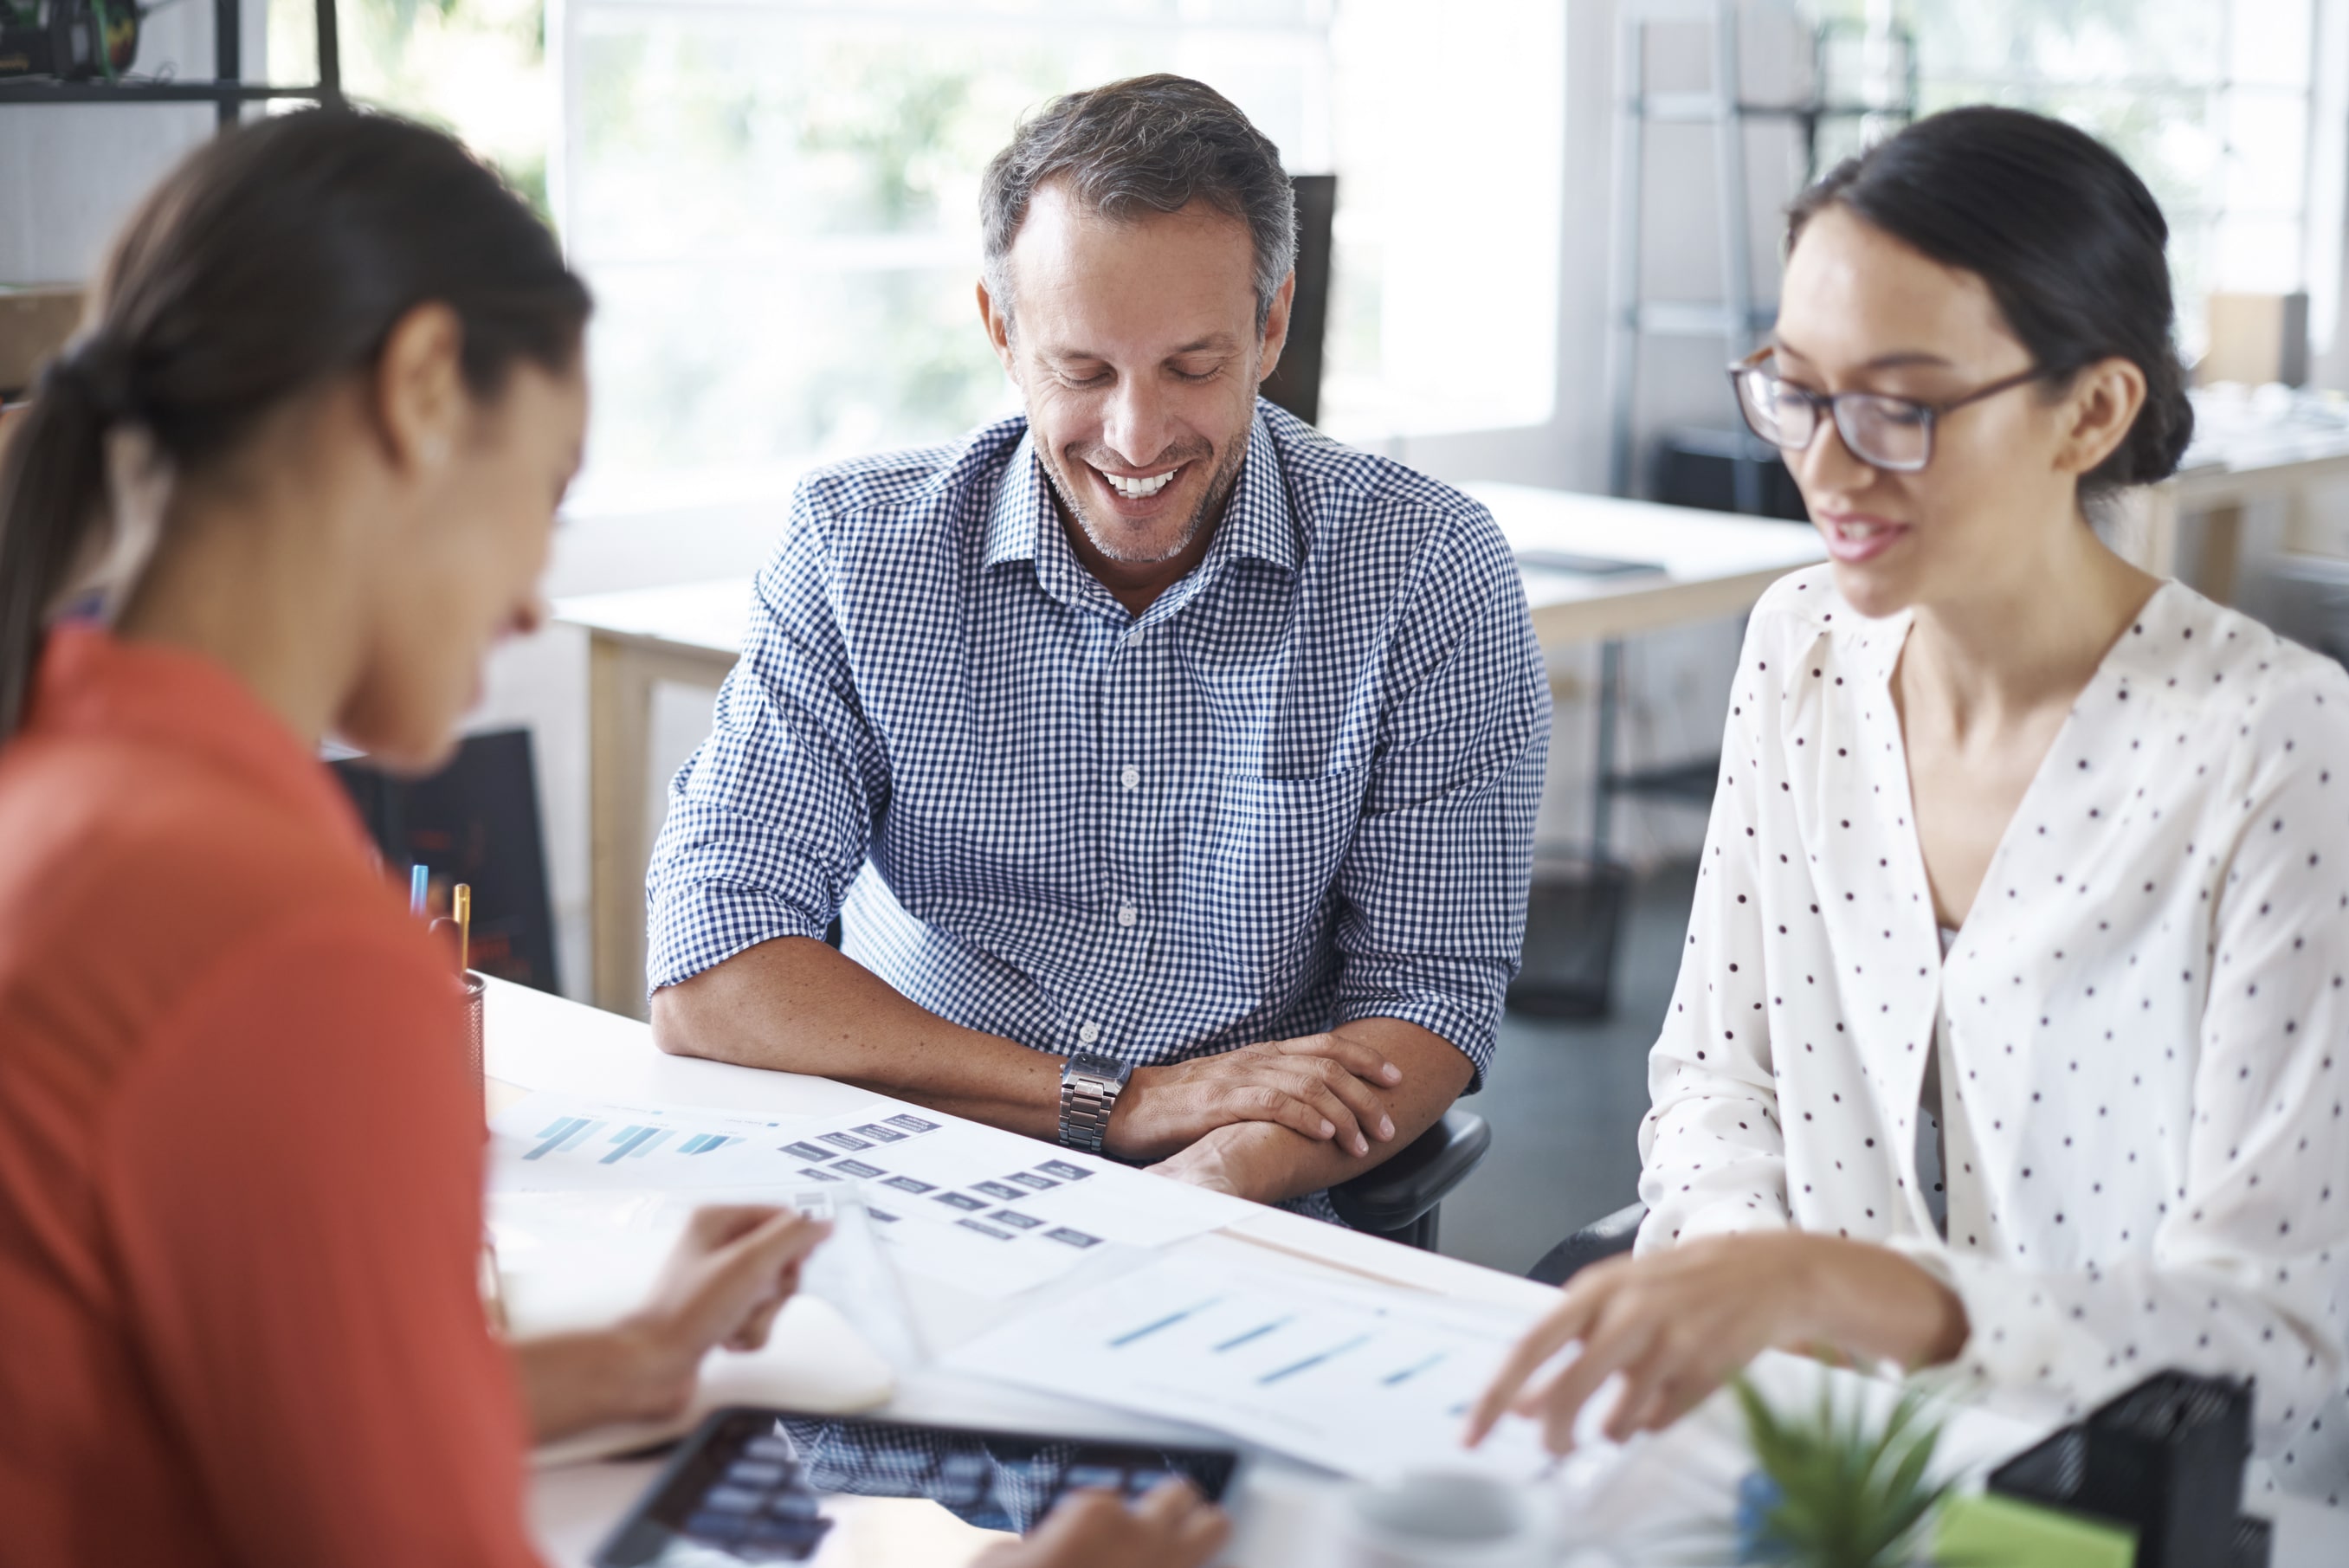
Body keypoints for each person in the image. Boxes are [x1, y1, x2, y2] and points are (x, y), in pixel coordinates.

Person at [0, 109, 1219, 1567]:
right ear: (420, 391)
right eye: (546, 496)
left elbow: (196, 1405)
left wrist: (615, 1364)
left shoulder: (65, 775)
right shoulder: (276, 941)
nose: (527, 605)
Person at [1471, 106, 2349, 1505]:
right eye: (1795, 389)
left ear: (2092, 409)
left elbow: (2278, 1340)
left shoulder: (2278, 748)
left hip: (2114, 1502)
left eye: (1900, 404)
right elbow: (1715, 1075)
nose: (1824, 461)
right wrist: (1737, 1274)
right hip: (1804, 1451)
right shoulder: (1799, 646)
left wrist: (1859, 1292)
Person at [645, 74, 1550, 1218]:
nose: (1134, 437)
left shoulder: (1424, 569)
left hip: (1240, 1194)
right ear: (1000, 331)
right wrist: (1116, 1104)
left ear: (1270, 327)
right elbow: (709, 966)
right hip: (910, 1174)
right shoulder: (855, 550)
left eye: (1191, 367)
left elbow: (1428, 988)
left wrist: (1211, 1173)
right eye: (1081, 371)